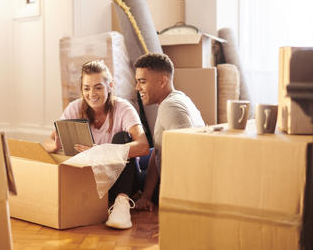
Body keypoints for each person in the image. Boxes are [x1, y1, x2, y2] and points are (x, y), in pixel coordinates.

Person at [44, 60, 149, 229]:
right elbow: (48, 142)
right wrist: (55, 146)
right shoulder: (75, 108)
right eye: (86, 88)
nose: (92, 93)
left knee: (123, 137)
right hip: (92, 182)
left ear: (110, 86)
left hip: (124, 180)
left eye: (98, 87)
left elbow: (143, 146)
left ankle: (121, 204)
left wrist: (102, 151)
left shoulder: (123, 109)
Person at [133, 53, 205, 211]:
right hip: (168, 168)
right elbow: (158, 151)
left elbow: (186, 161)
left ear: (162, 81)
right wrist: (146, 194)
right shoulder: (179, 98)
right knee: (136, 154)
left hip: (176, 186)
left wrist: (149, 196)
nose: (137, 88)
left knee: (127, 172)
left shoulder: (170, 108)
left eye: (142, 82)